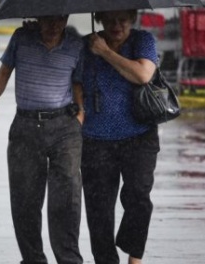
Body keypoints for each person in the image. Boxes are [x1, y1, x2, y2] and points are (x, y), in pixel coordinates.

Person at [0, 15, 85, 264]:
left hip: (64, 127)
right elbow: (4, 73)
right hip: (26, 126)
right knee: (25, 200)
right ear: (38, 17)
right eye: (47, 20)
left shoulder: (76, 43)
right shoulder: (21, 38)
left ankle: (69, 260)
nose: (53, 26)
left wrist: (81, 114)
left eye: (59, 20)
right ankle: (33, 259)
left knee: (66, 198)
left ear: (66, 18)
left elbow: (78, 83)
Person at [80, 10, 159, 264]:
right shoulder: (85, 45)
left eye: (123, 19)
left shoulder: (143, 41)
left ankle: (134, 258)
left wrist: (105, 52)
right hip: (95, 139)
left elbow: (143, 75)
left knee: (139, 198)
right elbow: (74, 80)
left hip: (139, 135)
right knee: (99, 212)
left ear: (133, 18)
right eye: (111, 19)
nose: (117, 25)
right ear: (100, 18)